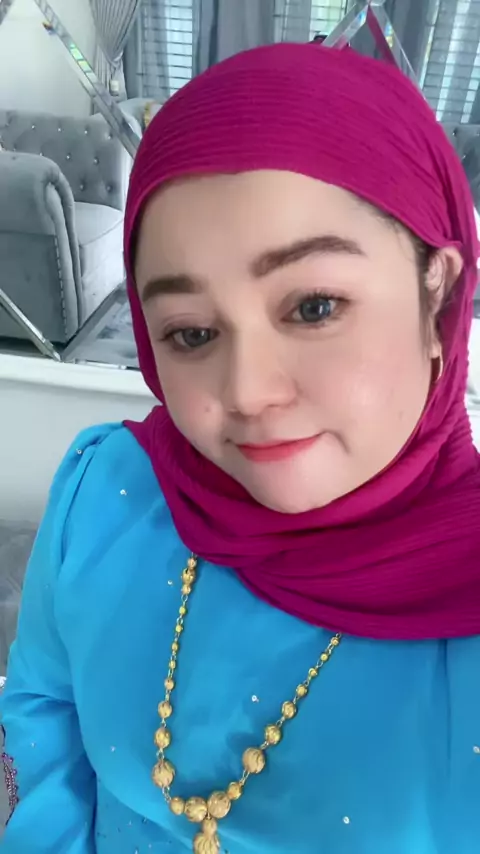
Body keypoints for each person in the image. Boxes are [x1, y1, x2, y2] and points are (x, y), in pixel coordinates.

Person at [1, 42, 480, 854]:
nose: (249, 391)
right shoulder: (108, 493)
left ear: (438, 293)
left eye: (314, 307)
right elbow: (44, 716)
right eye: (191, 333)